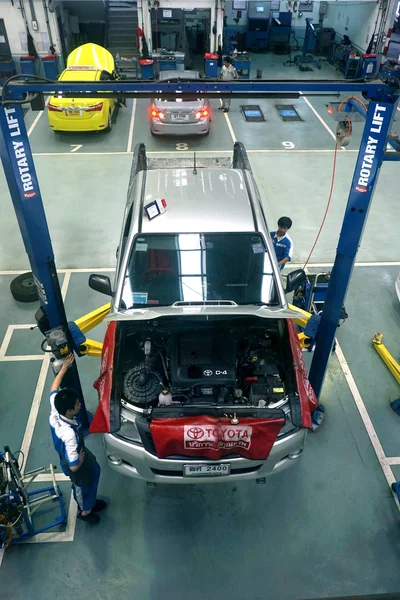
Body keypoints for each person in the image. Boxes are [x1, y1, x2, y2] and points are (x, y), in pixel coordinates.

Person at [49, 354, 106, 525]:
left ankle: (91, 502)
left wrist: (64, 367)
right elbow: (73, 466)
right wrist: (79, 461)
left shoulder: (55, 406)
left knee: (95, 471)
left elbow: (53, 387)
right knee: (83, 486)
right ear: (69, 411)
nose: (80, 405)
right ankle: (85, 511)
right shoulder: (69, 435)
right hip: (73, 460)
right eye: (77, 405)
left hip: (77, 452)